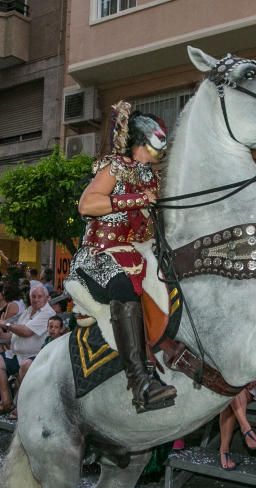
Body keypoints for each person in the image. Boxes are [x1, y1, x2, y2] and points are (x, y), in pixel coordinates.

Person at [69, 99, 175, 413]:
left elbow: (145, 229)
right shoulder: (114, 166)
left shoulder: (152, 179)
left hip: (135, 255)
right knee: (123, 287)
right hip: (98, 255)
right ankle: (139, 381)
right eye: (151, 149)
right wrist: (137, 199)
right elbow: (87, 205)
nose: (156, 156)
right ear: (138, 144)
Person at [0, 284, 55, 415]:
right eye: (33, 296)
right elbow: (15, 334)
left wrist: (6, 324)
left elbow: (27, 332)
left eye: (39, 296)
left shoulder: (48, 313)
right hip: (17, 354)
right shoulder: (28, 311)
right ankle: (6, 401)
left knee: (25, 365)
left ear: (46, 298)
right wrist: (1, 335)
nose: (36, 299)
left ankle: (23, 405)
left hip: (36, 356)